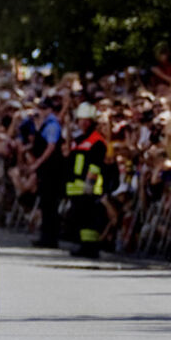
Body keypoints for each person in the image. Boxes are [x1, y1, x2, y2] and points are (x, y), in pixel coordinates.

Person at [64, 102, 106, 258]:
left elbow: (95, 165)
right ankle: (83, 245)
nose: (83, 122)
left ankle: (90, 247)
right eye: (81, 119)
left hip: (88, 185)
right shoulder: (79, 139)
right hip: (75, 185)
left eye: (87, 119)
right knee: (80, 216)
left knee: (89, 217)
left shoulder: (97, 141)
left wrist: (89, 183)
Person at [29, 96, 63, 248]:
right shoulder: (43, 124)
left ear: (50, 110)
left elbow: (50, 147)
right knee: (45, 203)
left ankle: (51, 238)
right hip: (45, 170)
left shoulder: (52, 125)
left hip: (52, 170)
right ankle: (45, 235)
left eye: (44, 109)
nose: (40, 112)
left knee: (50, 204)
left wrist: (38, 162)